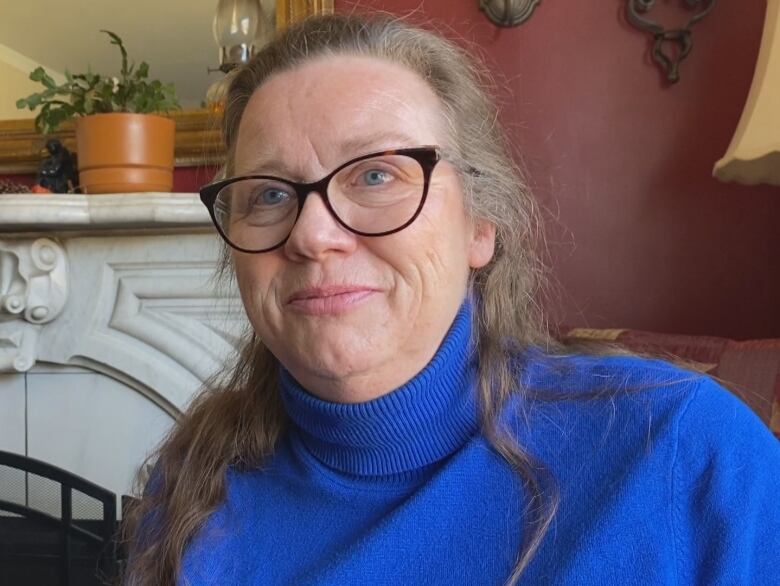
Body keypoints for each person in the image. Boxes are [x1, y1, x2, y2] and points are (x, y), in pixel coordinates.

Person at [124, 13, 780, 586]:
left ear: (480, 225)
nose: (313, 235)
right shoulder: (192, 484)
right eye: (268, 193)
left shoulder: (686, 452)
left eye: (377, 173)